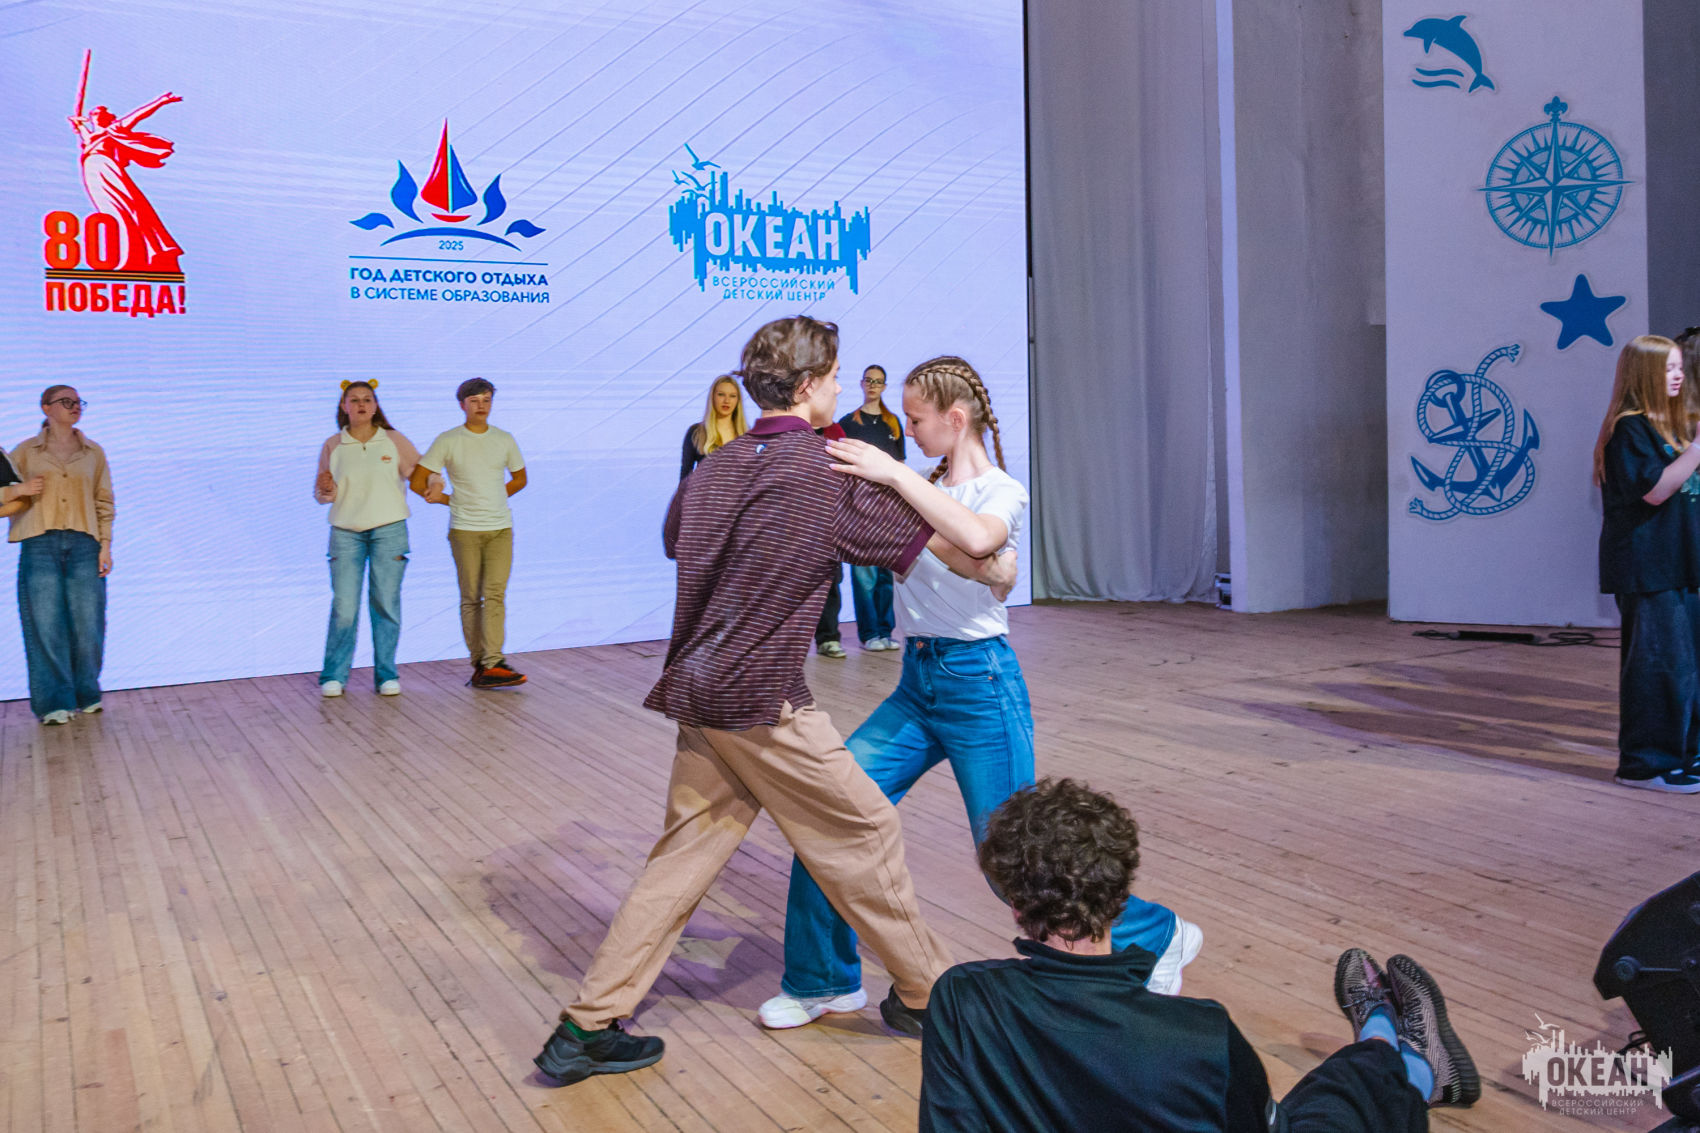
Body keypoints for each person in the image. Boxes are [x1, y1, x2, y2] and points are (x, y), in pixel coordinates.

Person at [532, 316, 1014, 1085]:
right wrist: (996, 564)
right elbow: (957, 548)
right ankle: (928, 993)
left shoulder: (713, 467)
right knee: (867, 828)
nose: (840, 388)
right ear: (809, 385)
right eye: (835, 376)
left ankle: (586, 1026)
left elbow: (675, 537)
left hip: (699, 693)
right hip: (762, 700)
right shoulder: (826, 471)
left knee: (679, 863)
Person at [759, 356, 1198, 1032]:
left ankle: (1156, 931)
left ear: (955, 418)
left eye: (915, 419)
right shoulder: (923, 487)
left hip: (980, 683)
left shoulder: (1000, 490)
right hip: (917, 684)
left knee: (1009, 859)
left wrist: (897, 478)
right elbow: (953, 551)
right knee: (831, 815)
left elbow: (983, 538)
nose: (905, 431)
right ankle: (823, 980)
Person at [919, 778, 1479, 1132]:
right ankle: (1403, 1055)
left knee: (1326, 1095)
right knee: (1344, 1096)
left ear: (1016, 904)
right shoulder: (1200, 1034)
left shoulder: (961, 999)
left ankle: (1391, 1047)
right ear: (1121, 897)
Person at [1594, 334, 1700, 793]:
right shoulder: (1629, 429)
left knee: (1686, 668)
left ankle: (1686, 754)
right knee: (1658, 669)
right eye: (1669, 369)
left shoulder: (1669, 426)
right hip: (1648, 567)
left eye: (1679, 367)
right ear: (1645, 376)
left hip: (1680, 564)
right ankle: (1644, 765)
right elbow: (1654, 490)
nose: (1678, 376)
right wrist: (1697, 451)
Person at [411, 378, 528, 690]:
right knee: (471, 597)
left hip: (500, 528)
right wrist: (449, 499)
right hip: (464, 530)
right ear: (462, 404)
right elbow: (418, 481)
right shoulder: (448, 440)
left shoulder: (504, 439)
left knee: (495, 594)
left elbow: (520, 479)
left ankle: (494, 661)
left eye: (486, 400)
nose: (481, 406)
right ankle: (480, 664)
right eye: (475, 401)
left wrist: (493, 498)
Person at [8, 386, 114, 725]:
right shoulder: (25, 451)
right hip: (40, 542)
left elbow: (103, 501)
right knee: (45, 624)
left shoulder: (94, 452)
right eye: (65, 402)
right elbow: (3, 493)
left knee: (89, 623)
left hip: (85, 544)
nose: (74, 407)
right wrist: (21, 489)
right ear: (46, 408)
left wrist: (105, 545)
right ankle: (54, 702)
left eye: (78, 402)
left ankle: (87, 693)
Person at [313, 380, 421, 698]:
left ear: (375, 406)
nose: (361, 404)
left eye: (367, 399)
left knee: (386, 603)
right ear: (343, 406)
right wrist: (326, 490)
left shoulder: (394, 440)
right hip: (345, 532)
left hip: (389, 530)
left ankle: (386, 675)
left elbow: (420, 473)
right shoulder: (333, 445)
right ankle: (334, 675)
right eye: (354, 399)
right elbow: (322, 494)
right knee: (344, 606)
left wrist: (435, 484)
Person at [836, 364, 905, 651]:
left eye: (878, 381)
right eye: (869, 380)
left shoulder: (893, 423)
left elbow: (900, 466)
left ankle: (886, 631)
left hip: (888, 510)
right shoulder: (849, 423)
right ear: (862, 383)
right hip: (859, 510)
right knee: (864, 576)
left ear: (884, 387)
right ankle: (869, 634)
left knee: (886, 575)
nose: (873, 385)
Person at [679, 374, 747, 479]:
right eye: (721, 395)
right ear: (712, 397)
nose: (727, 401)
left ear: (738, 400)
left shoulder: (747, 435)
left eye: (732, 396)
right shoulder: (696, 432)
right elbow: (685, 477)